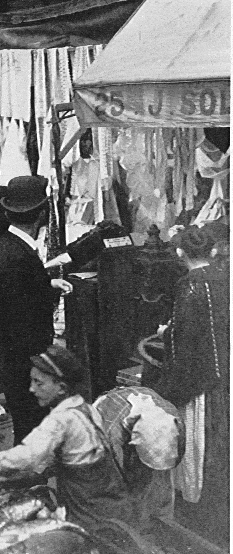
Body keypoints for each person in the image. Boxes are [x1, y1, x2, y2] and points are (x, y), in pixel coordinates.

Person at [0, 346, 134, 537]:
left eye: (39, 383)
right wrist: (33, 474)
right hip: (113, 500)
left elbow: (28, 453)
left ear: (61, 388)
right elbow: (76, 453)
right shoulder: (87, 408)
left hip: (89, 506)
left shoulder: (62, 420)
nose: (32, 389)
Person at [0, 175, 72, 441]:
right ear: (42, 213)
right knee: (31, 423)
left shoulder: (0, 248)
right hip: (25, 358)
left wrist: (47, 284)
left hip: (10, 357)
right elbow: (26, 313)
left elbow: (12, 298)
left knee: (25, 420)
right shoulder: (22, 257)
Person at [155, 226, 229, 520]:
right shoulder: (225, 279)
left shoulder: (189, 286)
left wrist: (166, 332)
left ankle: (197, 509)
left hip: (202, 381)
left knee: (200, 446)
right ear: (212, 251)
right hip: (226, 374)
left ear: (179, 253)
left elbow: (184, 338)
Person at [93, 386, 183, 530]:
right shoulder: (111, 433)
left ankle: (159, 529)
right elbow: (117, 480)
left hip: (150, 423)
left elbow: (173, 462)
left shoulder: (174, 419)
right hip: (110, 412)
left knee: (160, 487)